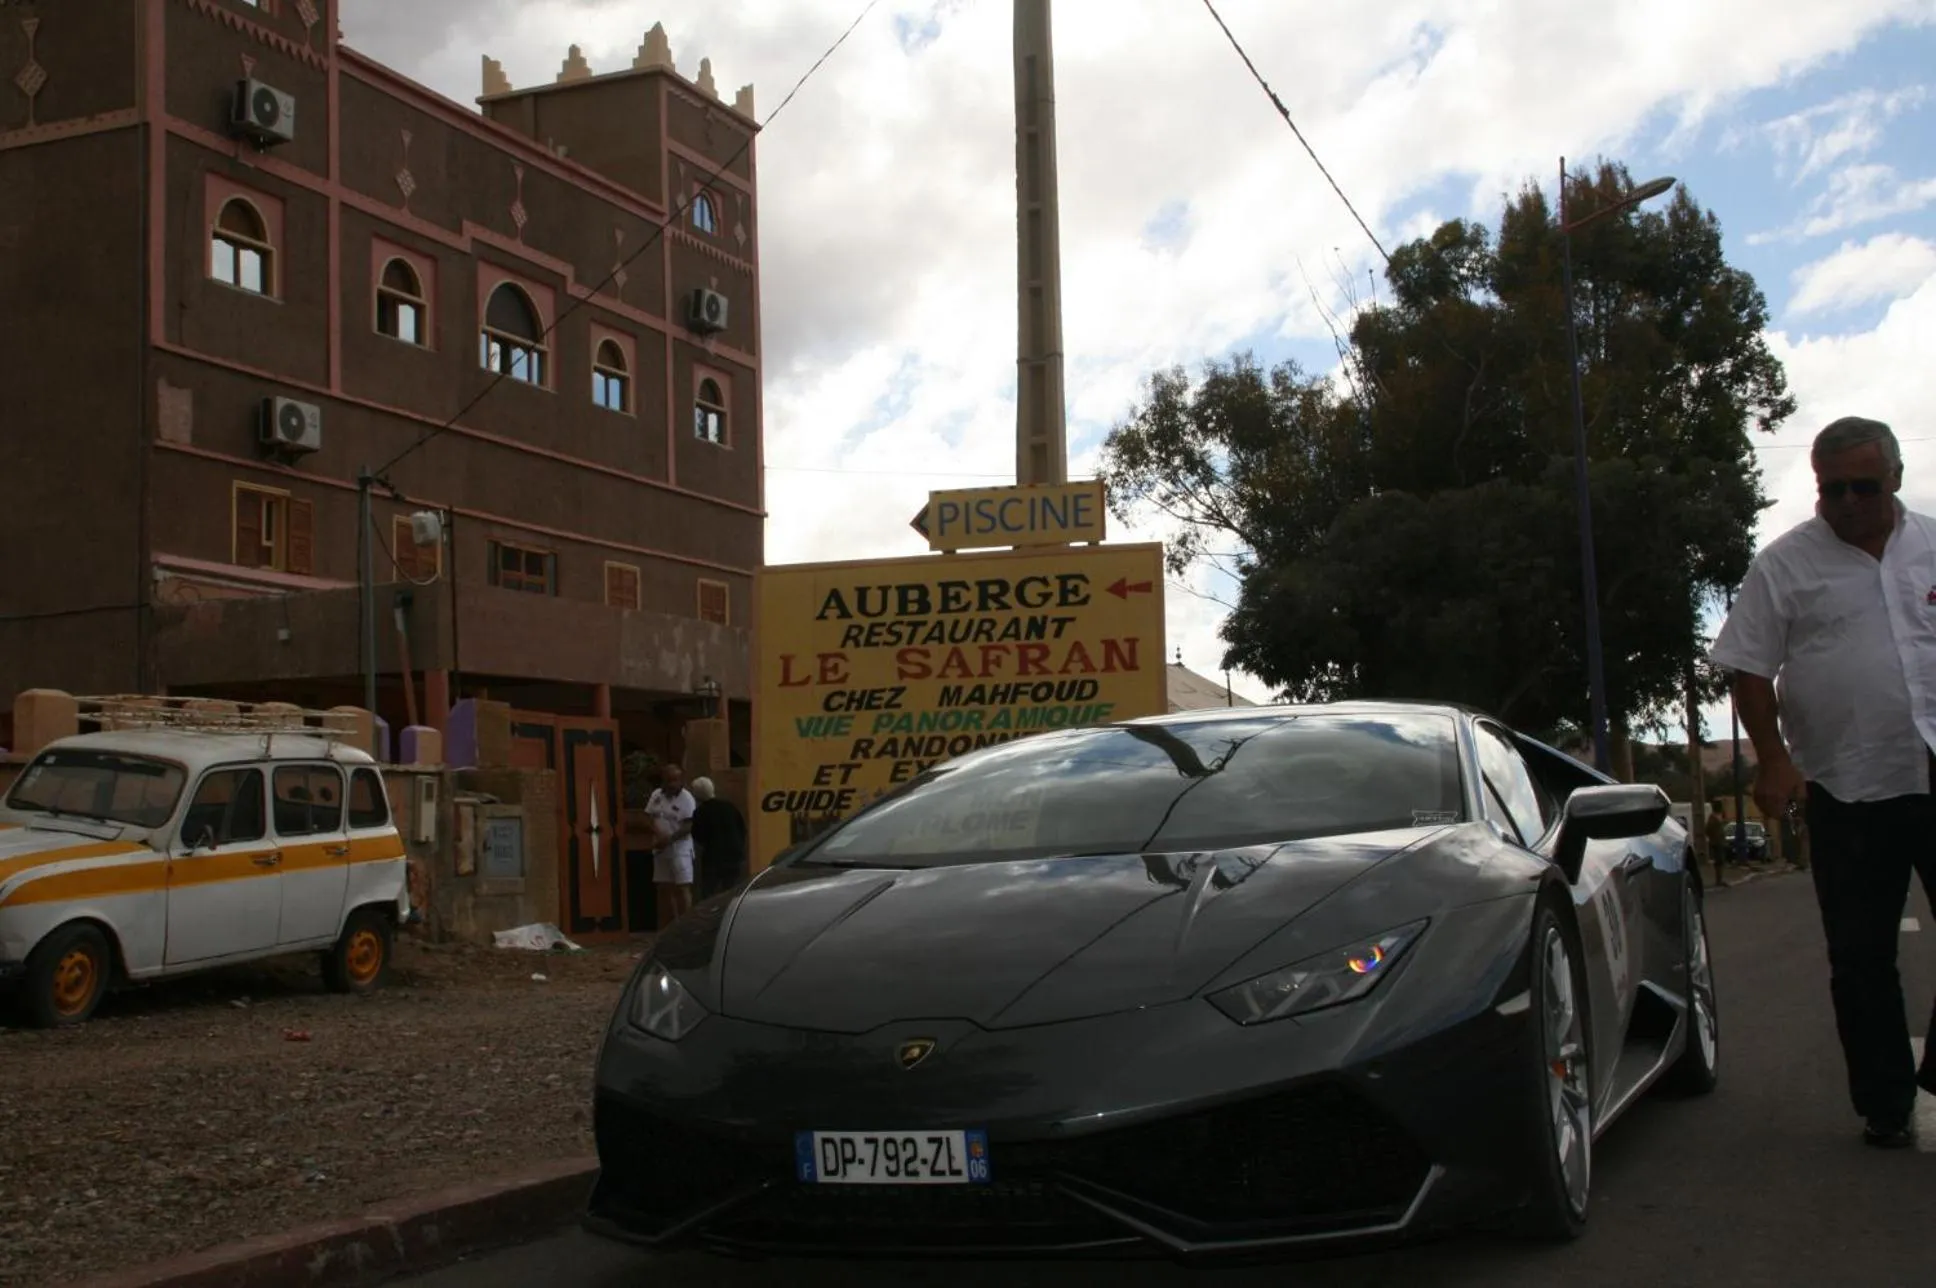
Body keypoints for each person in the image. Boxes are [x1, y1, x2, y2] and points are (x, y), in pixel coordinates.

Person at [1710, 414, 1936, 1149]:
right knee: (1861, 958)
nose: (1846, 502)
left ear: (1894, 478)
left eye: (1862, 487)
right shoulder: (1785, 565)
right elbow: (1750, 668)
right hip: (1846, 785)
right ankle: (1886, 1104)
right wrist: (1774, 760)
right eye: (1831, 488)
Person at [645, 763, 697, 927]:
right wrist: (657, 834)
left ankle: (685, 926)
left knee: (682, 888)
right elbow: (648, 817)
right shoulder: (656, 795)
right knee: (663, 888)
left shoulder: (687, 798)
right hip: (660, 849)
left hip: (679, 849)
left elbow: (689, 826)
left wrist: (669, 839)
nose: (671, 784)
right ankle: (667, 926)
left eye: (675, 780)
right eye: (668, 780)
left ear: (681, 780)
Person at [689, 776, 749, 899]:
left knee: (708, 892)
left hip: (714, 857)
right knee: (731, 892)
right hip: (734, 855)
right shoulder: (729, 806)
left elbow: (698, 836)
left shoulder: (700, 812)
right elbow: (742, 828)